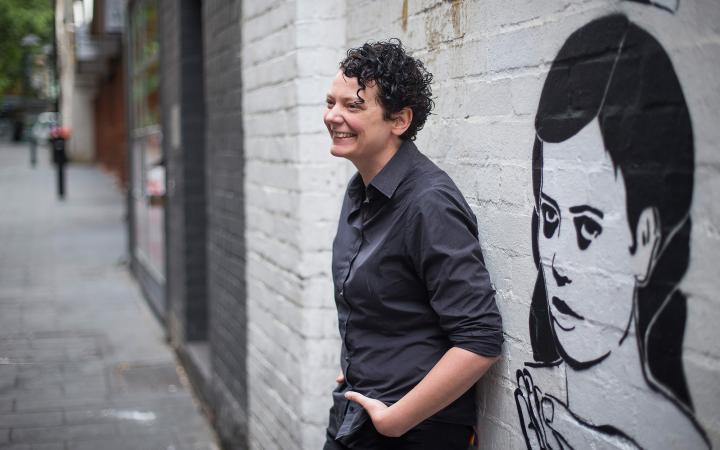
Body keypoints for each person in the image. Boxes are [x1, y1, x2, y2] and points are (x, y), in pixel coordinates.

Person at [514, 14, 709, 449]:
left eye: (588, 227)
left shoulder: (676, 440)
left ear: (645, 241)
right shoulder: (535, 399)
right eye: (549, 218)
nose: (557, 262)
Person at [322, 39, 504, 449]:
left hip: (412, 431)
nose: (333, 116)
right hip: (358, 408)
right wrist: (359, 359)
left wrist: (394, 421)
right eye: (330, 102)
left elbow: (480, 339)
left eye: (353, 106)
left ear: (399, 120)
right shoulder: (360, 190)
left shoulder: (428, 202)